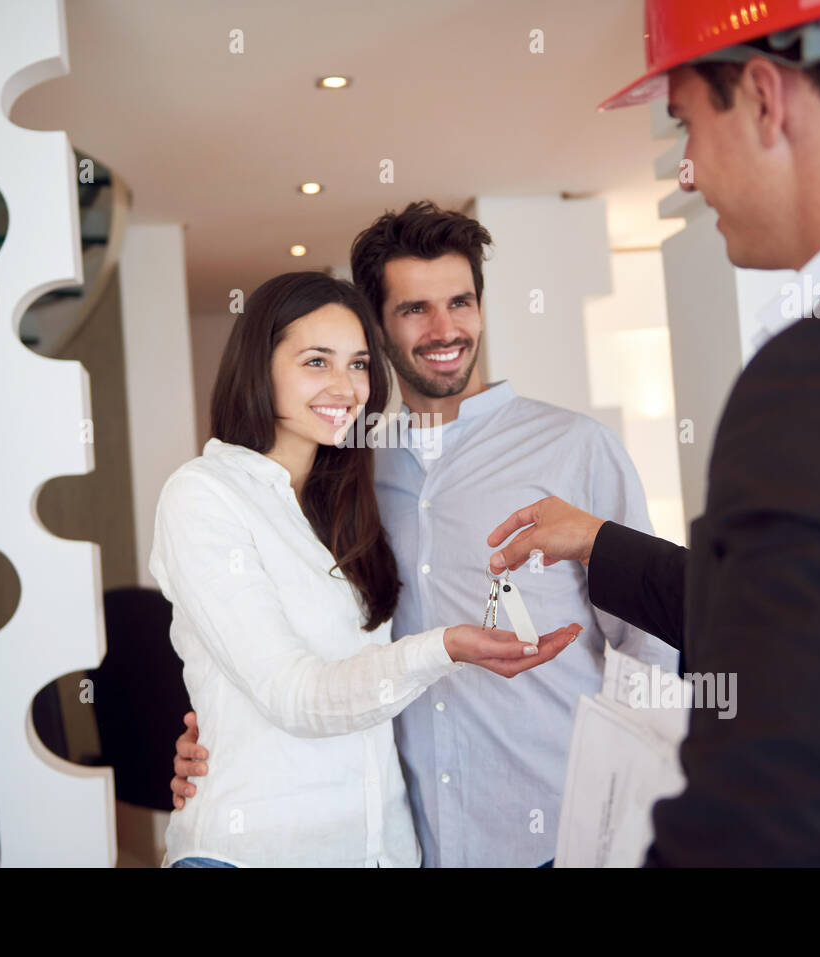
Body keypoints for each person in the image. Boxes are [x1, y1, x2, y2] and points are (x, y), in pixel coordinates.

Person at [486, 0, 820, 865]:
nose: (688, 176)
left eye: (686, 126)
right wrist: (600, 543)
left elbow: (770, 833)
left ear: (765, 96)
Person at [171, 203, 676, 867]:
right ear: (376, 324)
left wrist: (654, 803)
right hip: (418, 843)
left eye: (460, 302)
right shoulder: (347, 473)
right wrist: (219, 731)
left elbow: (653, 653)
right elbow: (289, 653)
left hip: (558, 835)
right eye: (415, 309)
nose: (446, 329)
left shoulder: (575, 449)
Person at [147, 271, 580, 867]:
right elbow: (292, 694)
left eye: (357, 364)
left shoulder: (347, 498)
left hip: (381, 851)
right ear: (259, 365)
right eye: (316, 362)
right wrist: (447, 647)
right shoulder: (203, 496)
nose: (346, 387)